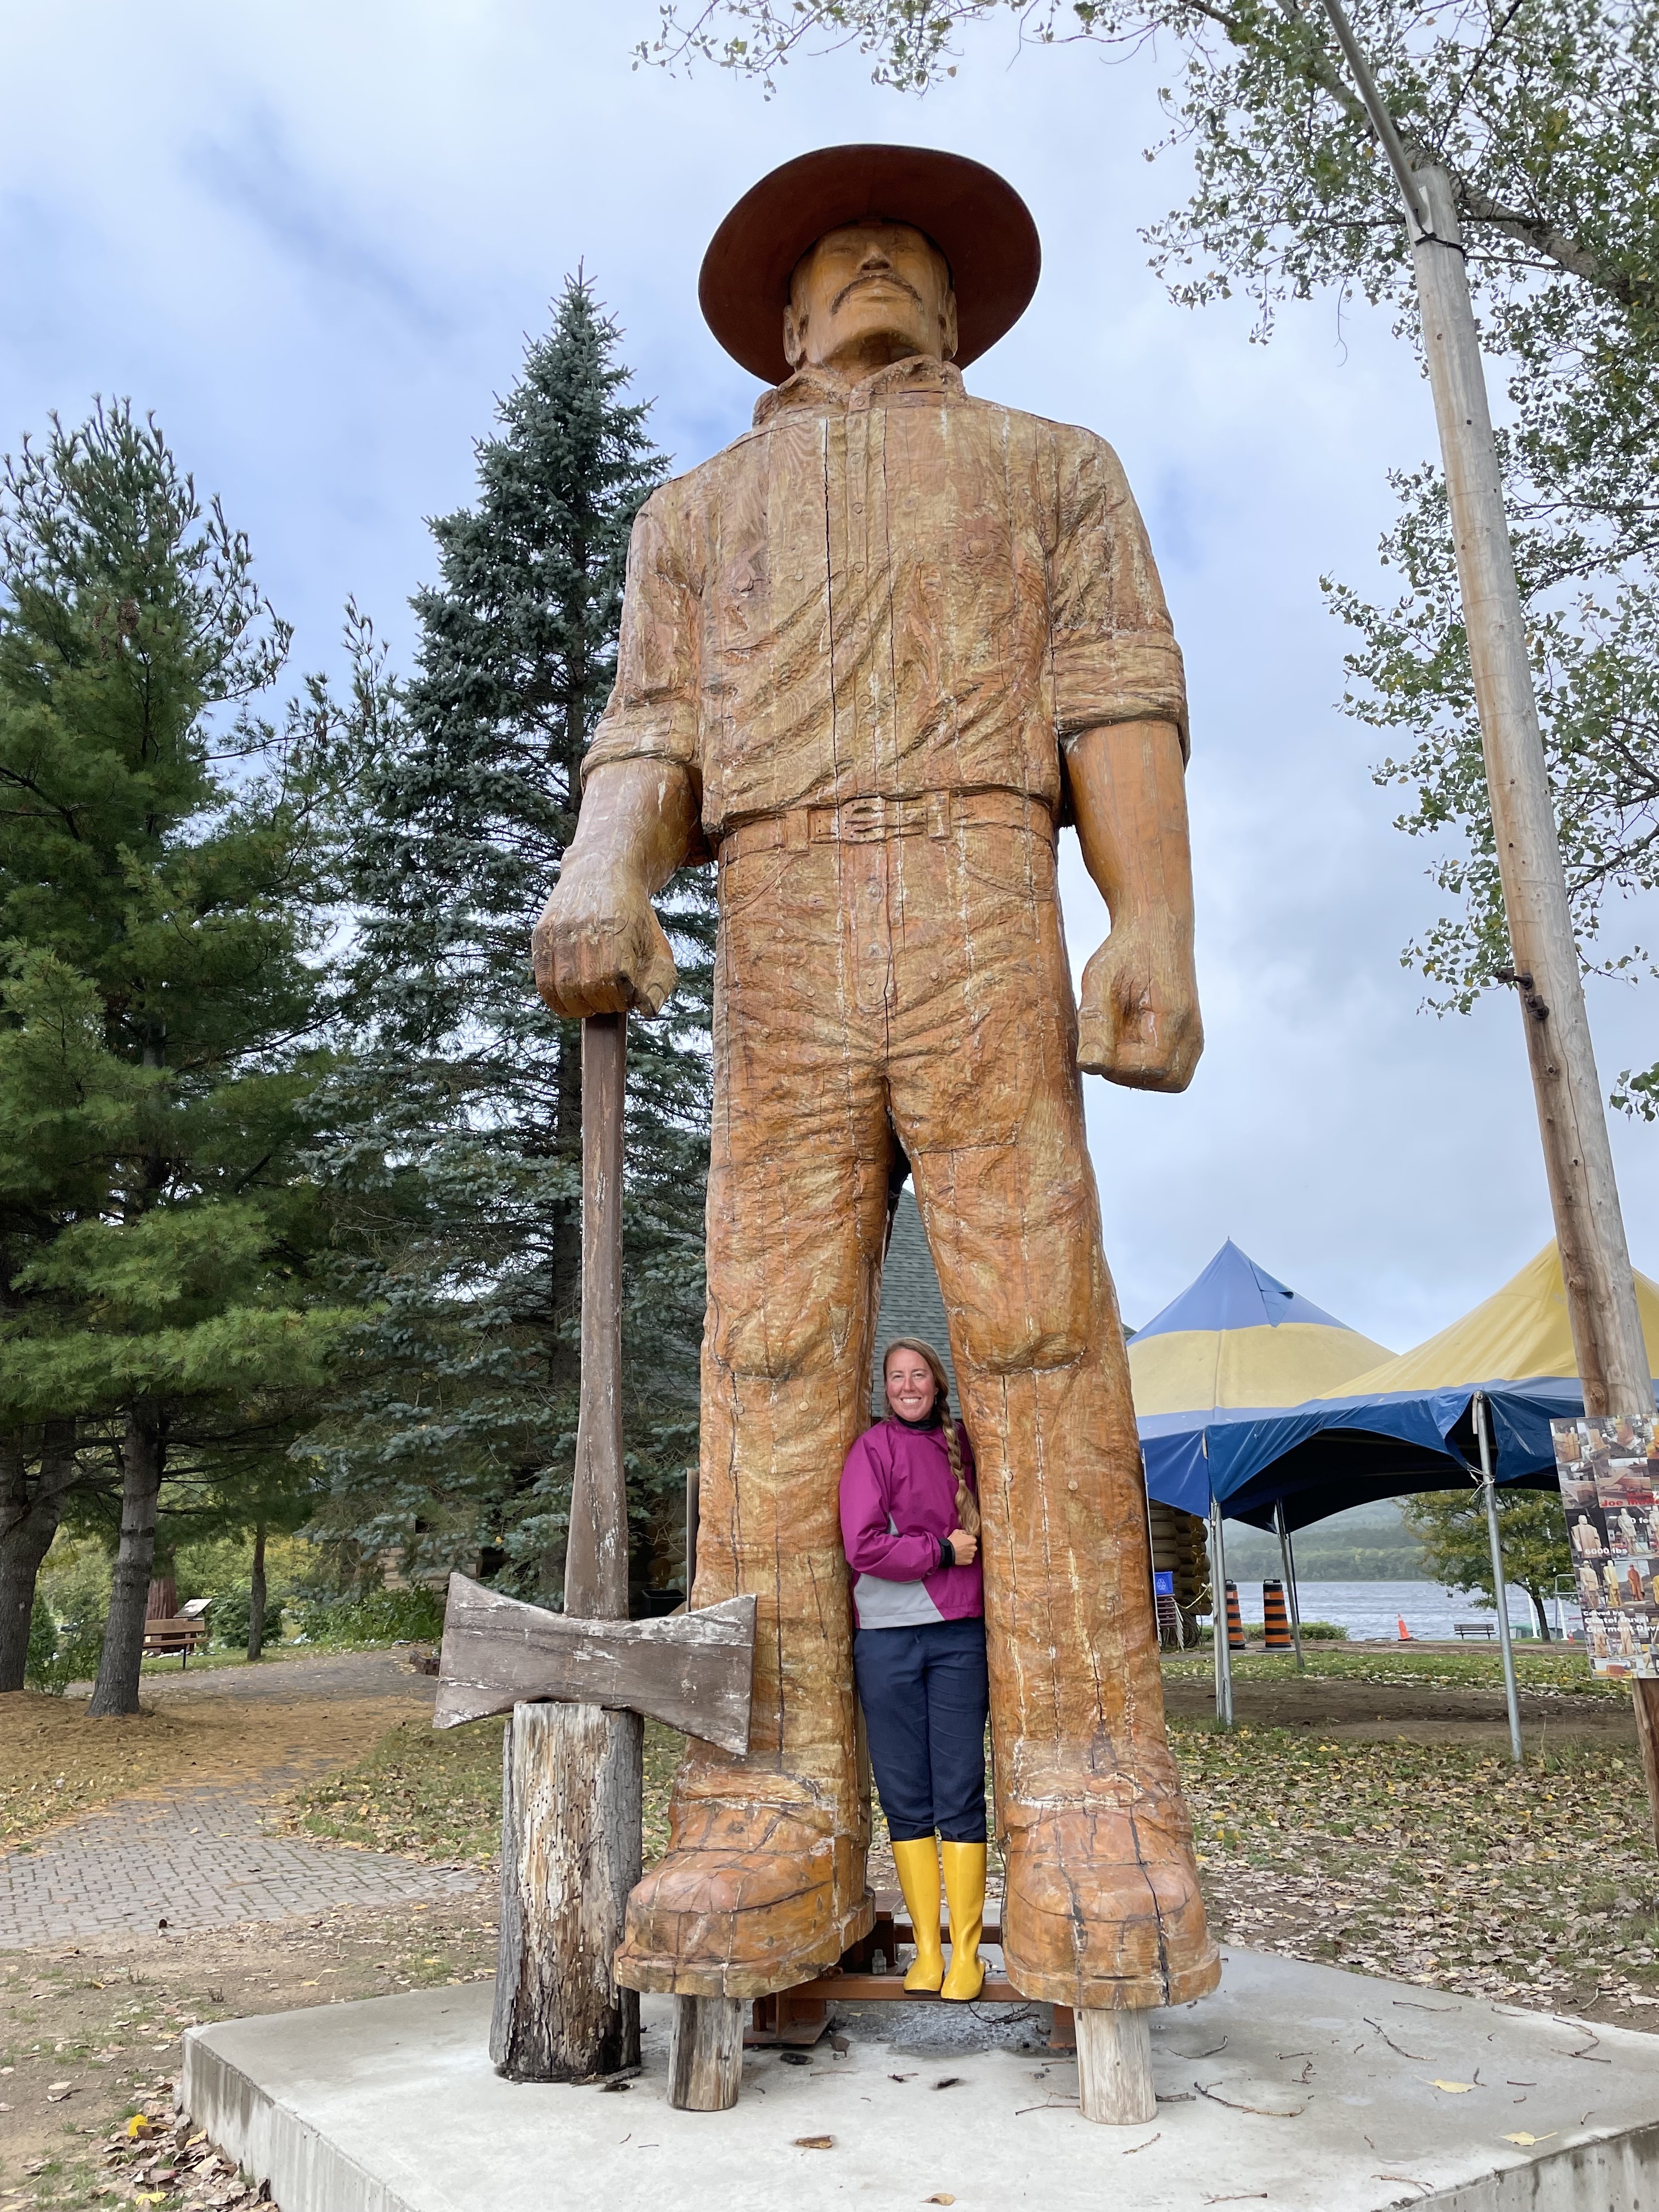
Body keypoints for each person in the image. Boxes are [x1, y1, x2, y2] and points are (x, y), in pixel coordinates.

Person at [535, 142, 1217, 2021]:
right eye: (841, 254)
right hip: (787, 918)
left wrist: (1146, 918)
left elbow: (1115, 694)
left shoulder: (1051, 468)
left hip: (990, 888)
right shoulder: (696, 513)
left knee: (1038, 1331)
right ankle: (766, 1805)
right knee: (761, 1348)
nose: (875, 266)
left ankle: (1091, 1798)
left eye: (906, 250)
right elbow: (651, 728)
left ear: (957, 303)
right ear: (783, 314)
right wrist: (604, 862)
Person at [840, 1340, 989, 2000]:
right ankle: (926, 1951)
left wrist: (956, 1558)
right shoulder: (872, 1450)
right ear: (885, 1387)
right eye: (896, 1377)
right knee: (904, 1794)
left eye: (918, 1375)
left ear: (937, 1383)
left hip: (959, 1636)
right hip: (887, 1643)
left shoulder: (967, 1444)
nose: (907, 1386)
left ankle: (967, 1956)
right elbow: (863, 1546)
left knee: (958, 1789)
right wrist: (940, 1551)